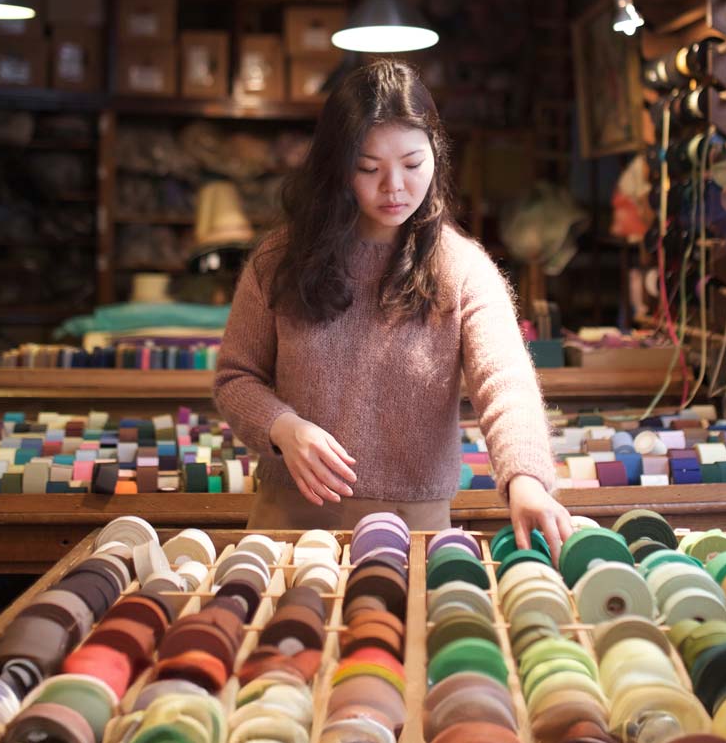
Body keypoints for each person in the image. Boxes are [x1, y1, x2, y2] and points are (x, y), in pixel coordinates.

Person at [214, 59, 573, 554]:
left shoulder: (462, 268)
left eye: (411, 163)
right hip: (292, 518)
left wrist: (526, 479)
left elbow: (505, 383)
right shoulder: (279, 261)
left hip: (416, 527)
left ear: (436, 155)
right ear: (336, 168)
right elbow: (236, 377)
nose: (394, 187)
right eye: (368, 168)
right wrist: (283, 427)